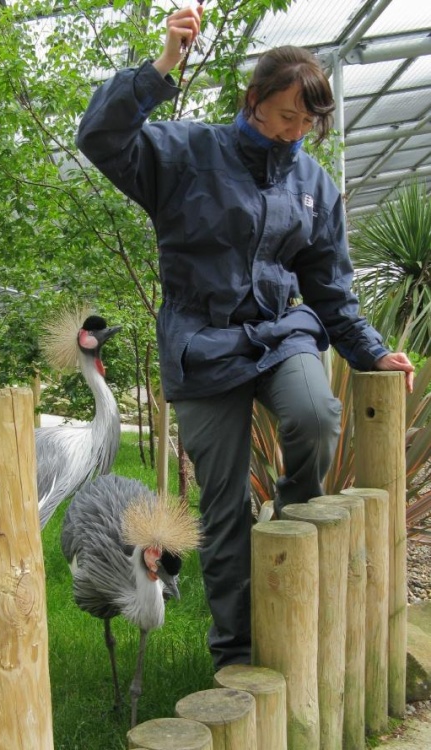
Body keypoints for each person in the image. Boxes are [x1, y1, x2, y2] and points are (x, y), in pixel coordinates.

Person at [77, 4, 415, 670]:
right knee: (224, 509)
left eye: (308, 123)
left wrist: (371, 351)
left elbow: (329, 290)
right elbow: (101, 136)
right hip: (199, 345)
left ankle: (289, 527)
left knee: (316, 415)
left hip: (276, 332)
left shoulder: (313, 184)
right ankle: (236, 653)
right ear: (252, 100)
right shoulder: (184, 154)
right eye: (286, 117)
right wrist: (161, 66)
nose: (297, 133)